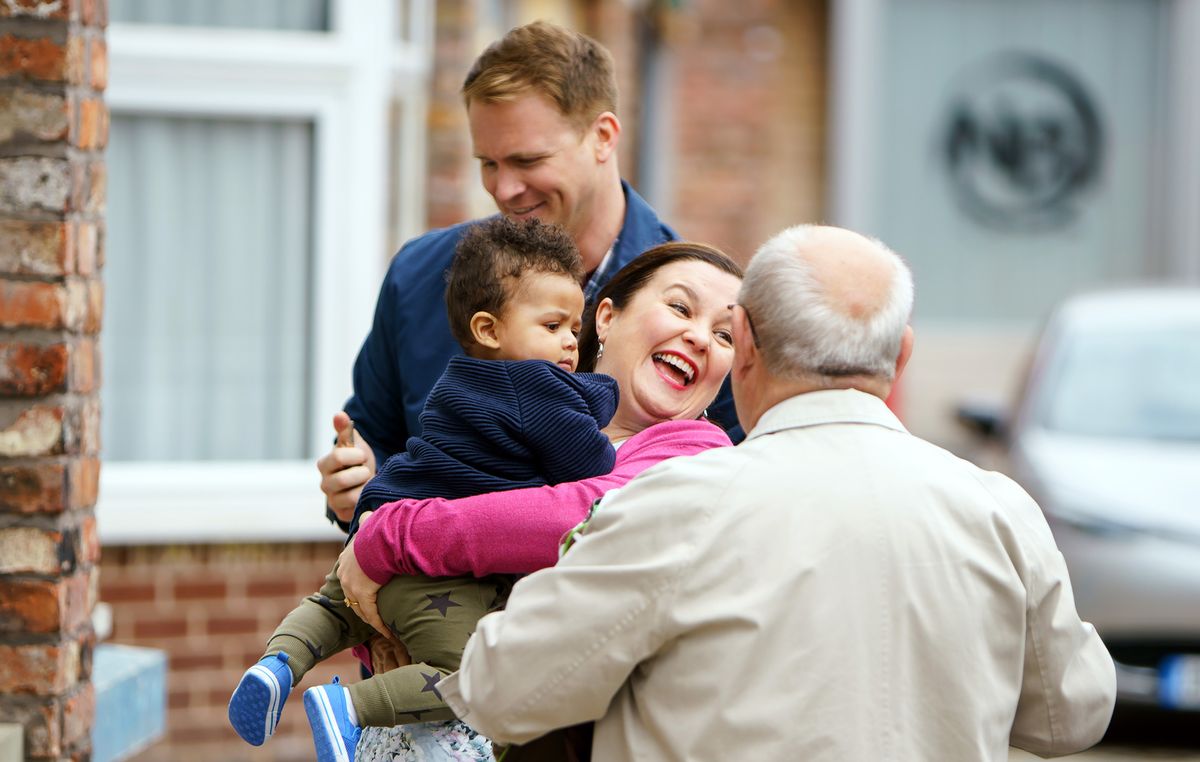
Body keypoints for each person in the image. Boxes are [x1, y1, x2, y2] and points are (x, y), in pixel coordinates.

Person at [431, 225, 1117, 761]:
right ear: (901, 355)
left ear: (747, 346)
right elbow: (1077, 712)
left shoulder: (675, 502)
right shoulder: (998, 512)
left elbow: (500, 690)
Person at [319, 20, 738, 532]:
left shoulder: (708, 319)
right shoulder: (420, 275)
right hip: (433, 601)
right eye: (488, 163)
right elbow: (376, 440)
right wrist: (356, 484)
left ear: (603, 137)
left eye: (527, 160)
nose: (504, 188)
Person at [228, 217, 620, 758]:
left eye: (574, 331)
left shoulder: (454, 381)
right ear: (489, 329)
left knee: (331, 608)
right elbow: (593, 463)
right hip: (443, 577)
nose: (569, 346)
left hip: (377, 537)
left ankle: (279, 663)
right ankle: (348, 710)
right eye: (553, 327)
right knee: (466, 678)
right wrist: (600, 396)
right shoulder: (541, 389)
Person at [335, 242, 744, 759]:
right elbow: (426, 476)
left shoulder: (699, 453)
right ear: (607, 317)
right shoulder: (519, 401)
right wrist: (375, 609)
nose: (700, 337)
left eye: (725, 334)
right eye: (681, 308)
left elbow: (584, 516)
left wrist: (389, 537)